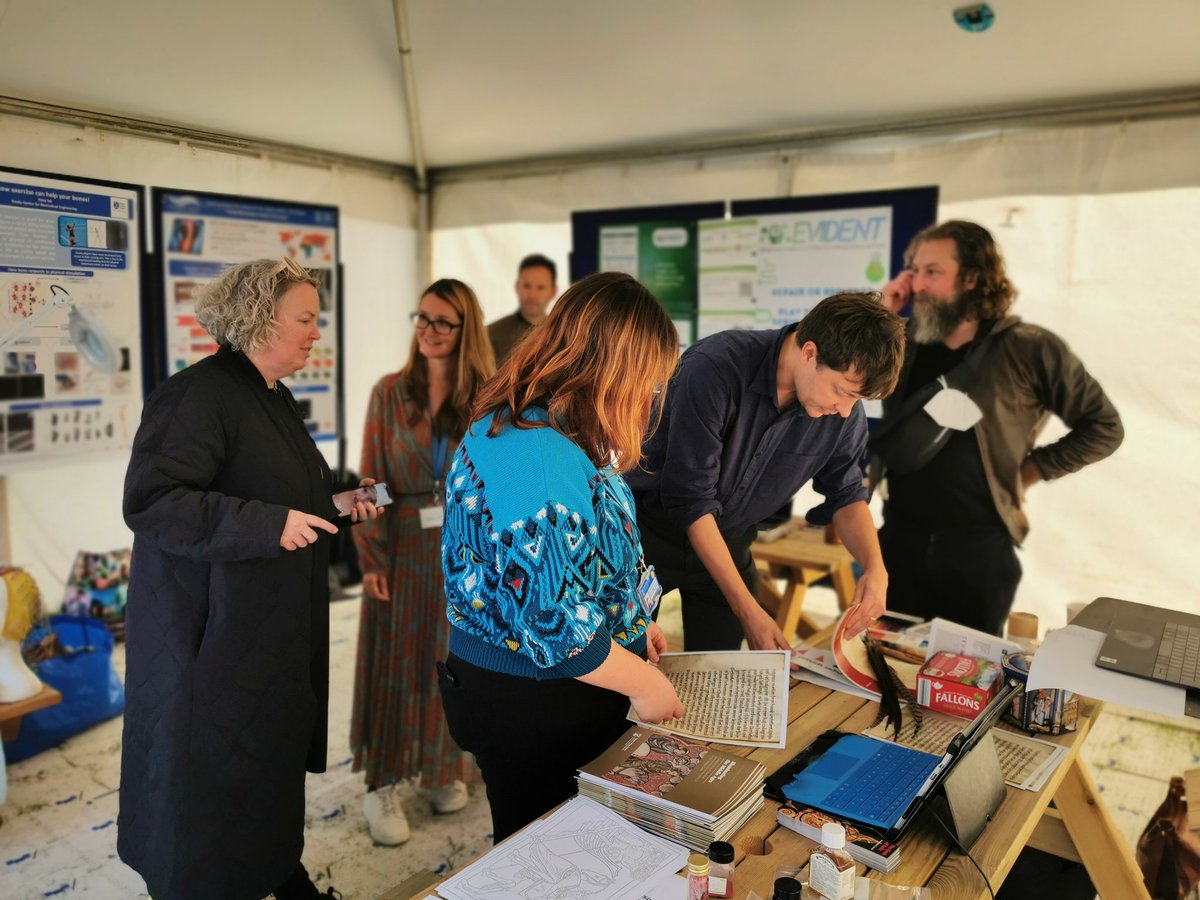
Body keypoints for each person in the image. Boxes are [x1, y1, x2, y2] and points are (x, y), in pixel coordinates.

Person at [120, 258, 380, 900]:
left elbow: (288, 494)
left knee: (261, 769)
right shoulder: (196, 396)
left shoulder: (271, 395)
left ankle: (273, 873)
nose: (316, 334)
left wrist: (337, 506)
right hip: (206, 641)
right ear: (261, 319)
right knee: (206, 787)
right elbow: (154, 501)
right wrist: (267, 526)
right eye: (306, 320)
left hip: (263, 634)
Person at [439, 271, 685, 842]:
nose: (649, 398)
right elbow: (556, 626)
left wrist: (630, 623)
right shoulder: (539, 454)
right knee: (551, 861)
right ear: (613, 372)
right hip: (535, 703)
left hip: (557, 690)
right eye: (647, 382)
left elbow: (583, 560)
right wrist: (645, 686)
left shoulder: (552, 424)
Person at [875, 220, 1123, 635]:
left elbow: (1103, 426)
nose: (917, 284)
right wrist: (882, 312)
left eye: (932, 272)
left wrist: (1030, 472)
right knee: (881, 678)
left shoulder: (1031, 348)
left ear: (972, 278)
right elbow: (848, 382)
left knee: (963, 688)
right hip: (898, 542)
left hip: (978, 553)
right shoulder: (902, 342)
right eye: (913, 270)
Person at [627, 293, 906, 653]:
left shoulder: (842, 414)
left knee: (724, 676)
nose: (844, 410)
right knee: (628, 666)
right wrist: (748, 609)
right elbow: (690, 499)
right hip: (646, 536)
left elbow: (847, 494)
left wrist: (874, 567)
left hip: (727, 539)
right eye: (841, 392)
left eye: (857, 401)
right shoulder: (715, 367)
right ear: (809, 353)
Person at [351, 278, 495, 846]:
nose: (429, 331)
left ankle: (441, 767)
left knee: (449, 661)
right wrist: (370, 558)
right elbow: (371, 485)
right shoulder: (389, 392)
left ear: (466, 332)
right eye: (423, 318)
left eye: (442, 322)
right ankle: (381, 782)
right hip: (401, 546)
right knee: (394, 661)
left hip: (463, 553)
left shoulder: (485, 398)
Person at [486, 253, 558, 363]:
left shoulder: (563, 333)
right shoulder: (490, 334)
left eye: (541, 287)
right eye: (527, 286)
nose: (533, 295)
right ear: (517, 287)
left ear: (553, 291)